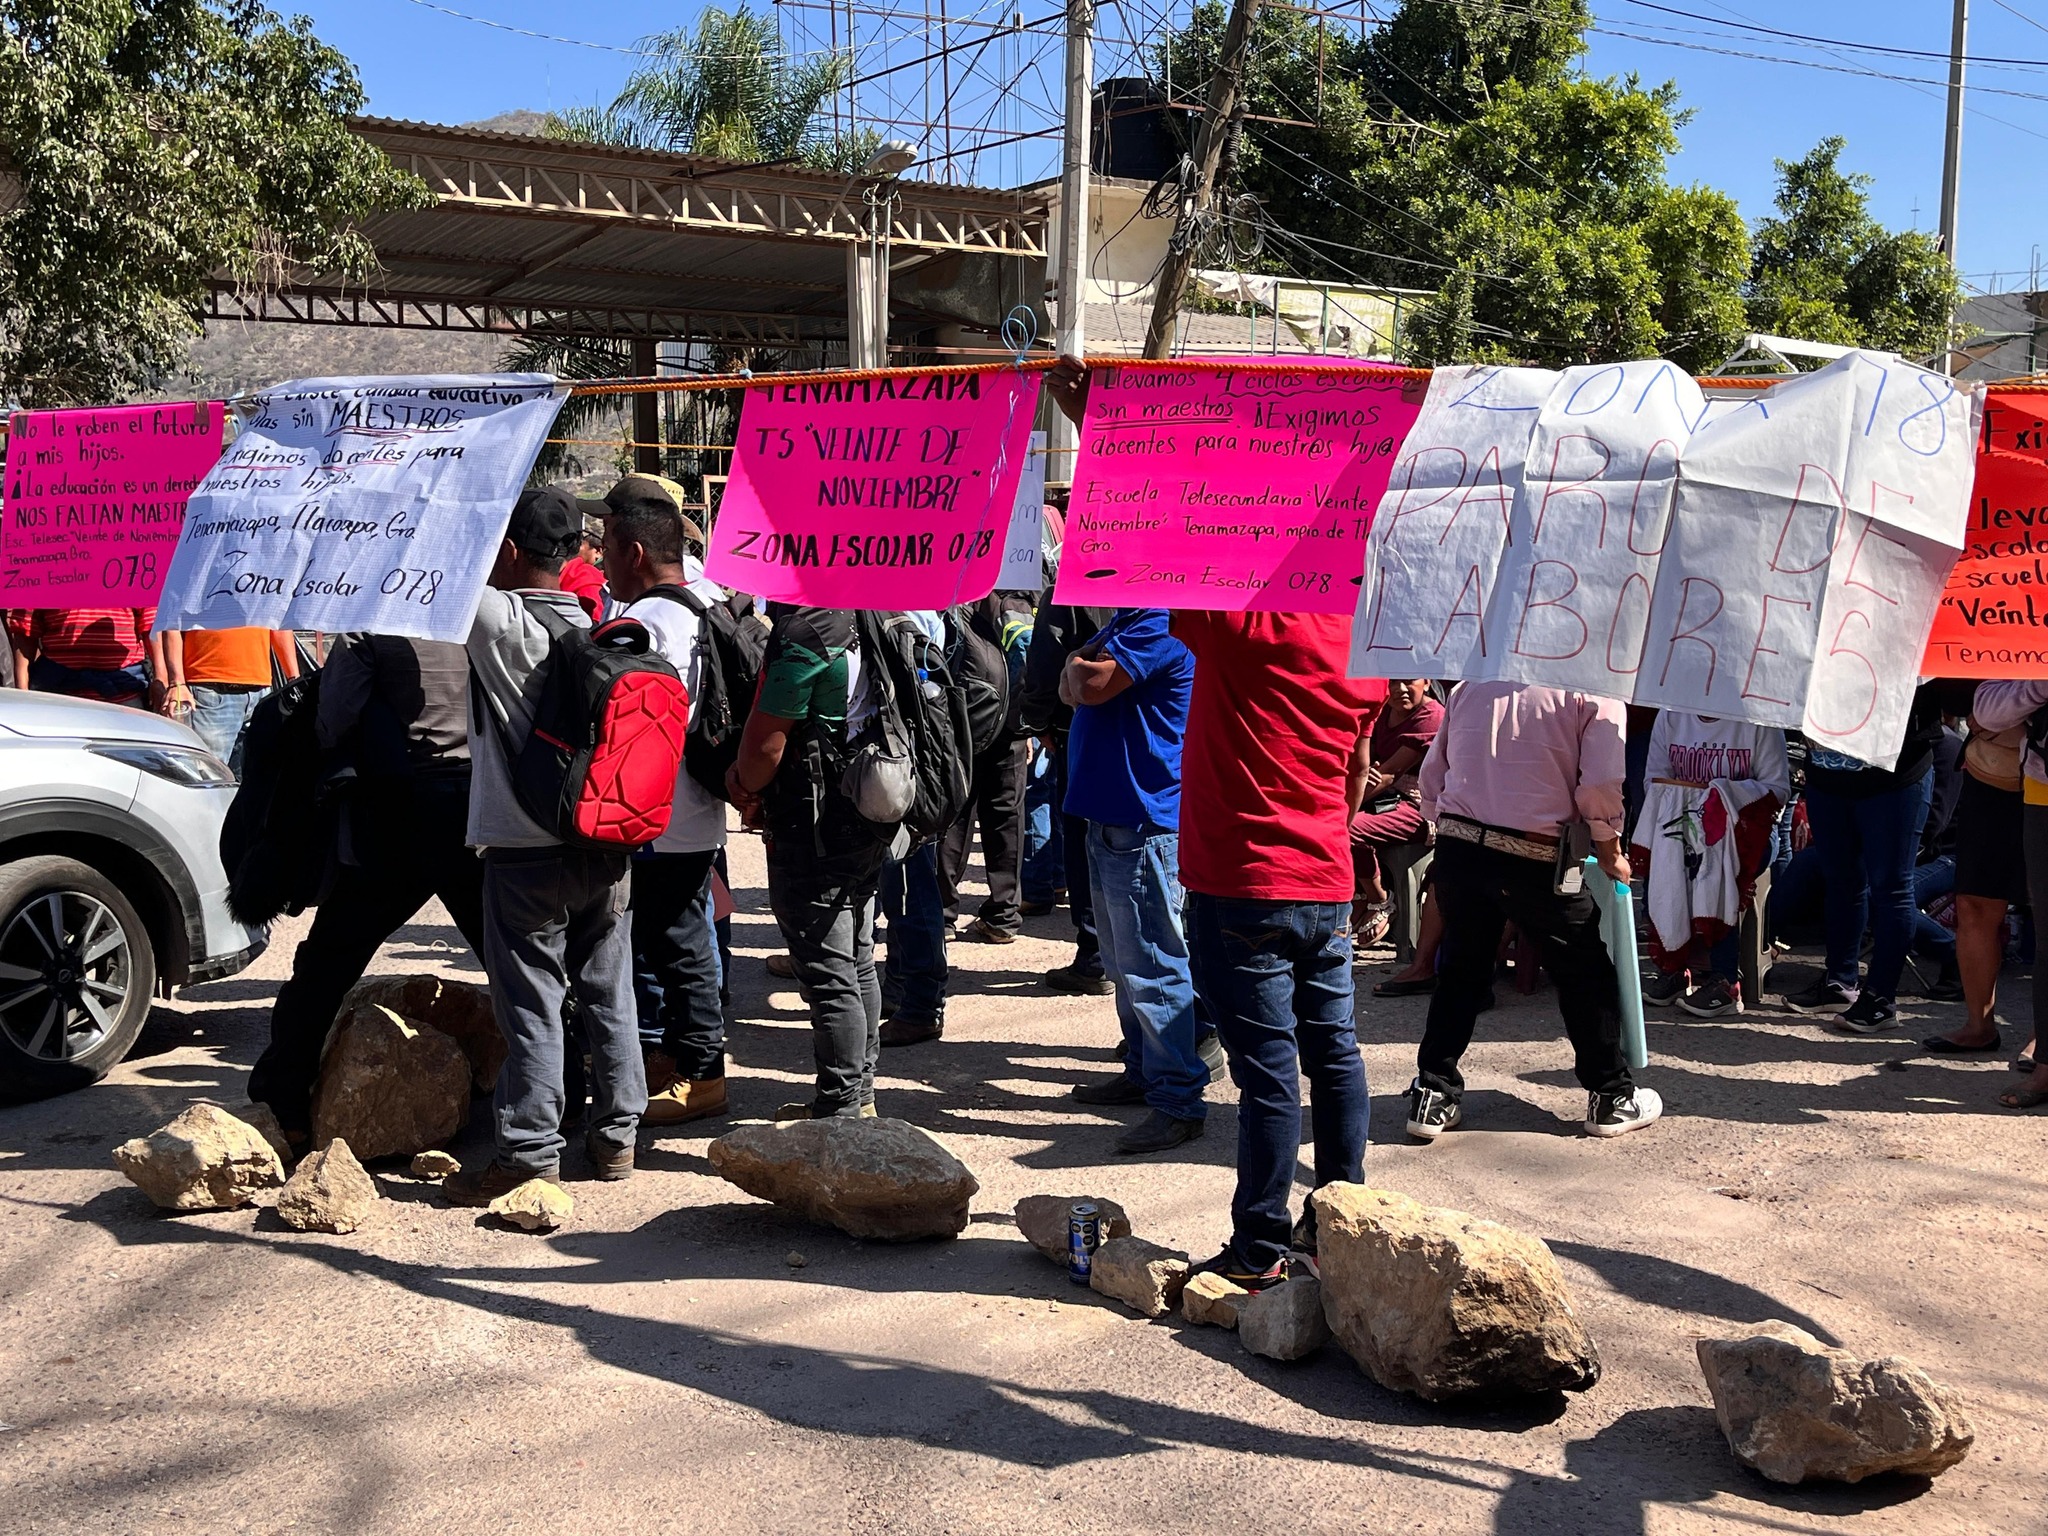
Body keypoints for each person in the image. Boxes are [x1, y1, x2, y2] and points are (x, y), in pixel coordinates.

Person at [445, 486, 646, 1204]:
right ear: (575, 556)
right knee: (607, 988)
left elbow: (446, 561)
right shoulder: (599, 623)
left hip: (524, 849)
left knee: (530, 999)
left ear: (507, 551)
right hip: (605, 839)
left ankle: (529, 1151)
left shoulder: (497, 620)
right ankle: (617, 1135)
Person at [1176, 612, 1379, 1288]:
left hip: (1244, 882)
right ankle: (1342, 1227)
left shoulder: (1240, 618)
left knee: (1268, 1072)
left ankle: (1259, 1249)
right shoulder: (1368, 639)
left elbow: (1160, 576)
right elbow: (1356, 774)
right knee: (1335, 1054)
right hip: (1325, 880)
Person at [248, 633, 484, 1141]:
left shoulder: (370, 628)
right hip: (478, 804)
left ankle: (283, 1099)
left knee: (330, 958)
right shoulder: (484, 612)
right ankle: (561, 1096)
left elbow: (333, 719)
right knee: (512, 960)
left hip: (398, 811)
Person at [1407, 680, 1661, 1140]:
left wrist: (1438, 821)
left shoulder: (1472, 686)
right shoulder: (1595, 690)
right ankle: (1611, 1095)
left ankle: (1433, 1092)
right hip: (1535, 854)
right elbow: (1601, 783)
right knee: (1585, 971)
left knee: (1463, 968)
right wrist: (1610, 849)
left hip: (1459, 843)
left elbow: (1435, 768)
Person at [598, 476, 732, 1127]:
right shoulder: (709, 598)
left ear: (634, 552)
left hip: (649, 813)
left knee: (673, 945)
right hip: (695, 808)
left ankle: (702, 1074)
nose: (600, 562)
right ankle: (670, 1058)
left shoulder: (641, 624)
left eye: (606, 550)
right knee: (677, 939)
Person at [725, 604, 890, 1119]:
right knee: (857, 956)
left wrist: (739, 786)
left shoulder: (807, 632)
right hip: (869, 805)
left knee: (827, 969)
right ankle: (860, 1097)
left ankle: (839, 1111)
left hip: (814, 821)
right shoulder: (873, 613)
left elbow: (765, 748)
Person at [1060, 607, 1209, 1154]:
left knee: (1152, 963)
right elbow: (1068, 682)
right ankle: (1145, 1070)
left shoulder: (1158, 619)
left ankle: (1178, 1099)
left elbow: (1088, 685)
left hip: (1142, 819)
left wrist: (1082, 669)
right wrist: (1080, 669)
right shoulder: (1125, 622)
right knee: (1126, 962)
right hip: (1114, 816)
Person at [1786, 685, 1946, 1033]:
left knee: (1891, 889)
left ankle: (1880, 999)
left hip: (1895, 777)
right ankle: (1839, 982)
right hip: (1827, 775)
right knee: (1841, 882)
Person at [1632, 712, 1789, 1019]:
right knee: (1666, 857)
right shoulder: (1671, 714)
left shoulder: (1759, 720)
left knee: (1715, 863)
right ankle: (1674, 967)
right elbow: (1654, 780)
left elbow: (1778, 790)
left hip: (1746, 832)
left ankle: (1726, 981)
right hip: (1686, 826)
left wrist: (1723, 794)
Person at [1957, 681, 2048, 1106]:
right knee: (1981, 907)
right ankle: (1987, 1029)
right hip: (2027, 783)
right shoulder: (2024, 637)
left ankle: (2040, 1048)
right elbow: (1984, 710)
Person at [1019, 598, 1114, 995]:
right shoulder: (1170, 573)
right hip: (1158, 730)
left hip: (1082, 723)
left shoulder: (1080, 575)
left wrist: (1037, 719)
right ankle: (1105, 954)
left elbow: (1047, 655)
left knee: (1084, 838)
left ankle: (1096, 955)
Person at [940, 594, 1034, 943]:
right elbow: (1028, 654)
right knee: (1007, 815)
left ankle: (942, 914)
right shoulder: (1017, 593)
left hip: (962, 719)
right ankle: (1003, 914)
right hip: (1009, 720)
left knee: (953, 815)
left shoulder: (953, 587)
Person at [879, 610, 951, 1049]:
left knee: (910, 888)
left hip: (907, 773)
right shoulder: (914, 605)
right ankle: (901, 986)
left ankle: (922, 1003)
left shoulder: (910, 612)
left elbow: (921, 693)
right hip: (900, 769)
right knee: (898, 889)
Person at [1350, 676, 1441, 948]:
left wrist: (1347, 803)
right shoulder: (1383, 713)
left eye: (1408, 681)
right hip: (1382, 798)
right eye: (1392, 683)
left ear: (1426, 683)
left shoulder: (1432, 717)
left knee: (1346, 827)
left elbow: (1389, 773)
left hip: (1419, 806)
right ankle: (1359, 894)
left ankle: (1379, 899)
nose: (1399, 690)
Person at [160, 627, 299, 775]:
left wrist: (294, 680)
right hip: (212, 691)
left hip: (259, 690)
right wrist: (177, 683)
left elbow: (279, 624)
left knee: (253, 779)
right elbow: (172, 623)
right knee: (207, 777)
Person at [8, 607, 164, 707]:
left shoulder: (132, 561)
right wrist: (23, 692)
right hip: (59, 696)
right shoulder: (44, 564)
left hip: (124, 692)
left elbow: (151, 626)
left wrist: (161, 679)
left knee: (128, 755)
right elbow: (25, 632)